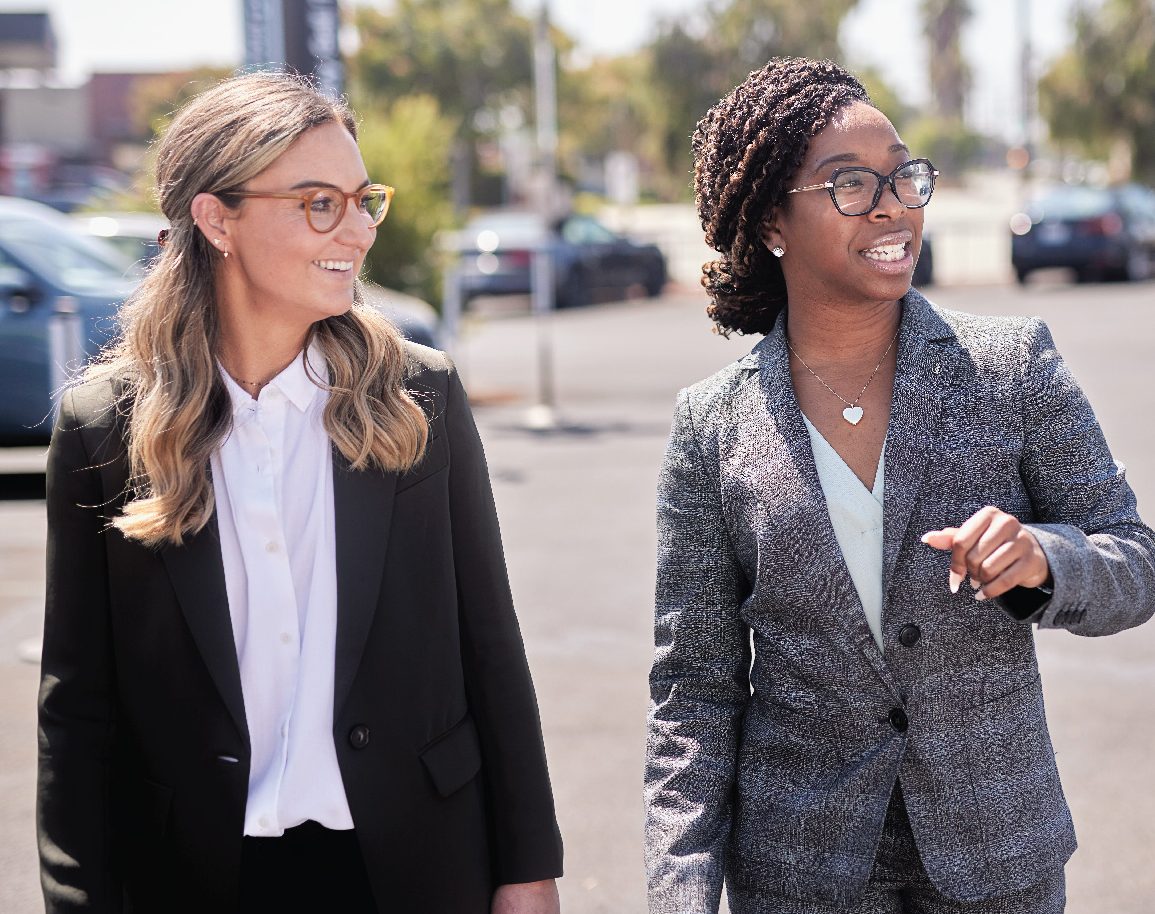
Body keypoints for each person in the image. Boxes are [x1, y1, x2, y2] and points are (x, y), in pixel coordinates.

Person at [37, 71, 563, 914]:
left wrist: (527, 869)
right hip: (193, 876)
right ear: (217, 219)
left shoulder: (419, 397)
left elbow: (488, 646)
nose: (355, 230)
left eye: (363, 200)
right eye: (320, 202)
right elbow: (79, 706)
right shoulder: (105, 427)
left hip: (414, 865)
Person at [643, 57, 1155, 914]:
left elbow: (1133, 563)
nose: (892, 206)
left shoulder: (1009, 367)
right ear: (771, 219)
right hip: (801, 874)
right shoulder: (712, 427)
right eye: (850, 184)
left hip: (998, 857)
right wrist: (679, 892)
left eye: (903, 177)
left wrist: (1043, 560)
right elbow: (691, 693)